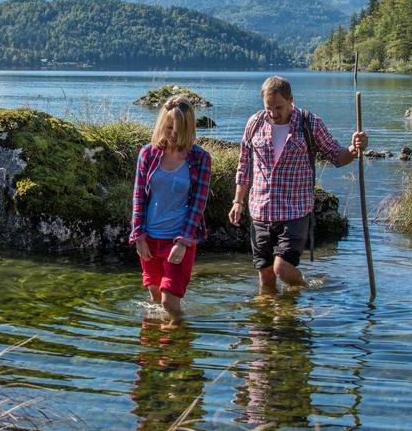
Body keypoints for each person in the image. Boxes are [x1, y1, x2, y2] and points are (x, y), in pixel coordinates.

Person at [229, 76, 367, 293]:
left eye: (279, 107)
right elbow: (244, 165)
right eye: (269, 108)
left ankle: (305, 288)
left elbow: (335, 156)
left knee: (281, 269)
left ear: (291, 100)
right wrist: (237, 201)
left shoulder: (309, 123)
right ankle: (272, 319)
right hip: (260, 209)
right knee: (265, 275)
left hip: (296, 210)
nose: (274, 113)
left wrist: (353, 149)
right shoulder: (254, 123)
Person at [130, 95, 212, 313]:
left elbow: (198, 204)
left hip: (179, 239)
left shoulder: (200, 158)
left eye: (178, 129)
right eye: (168, 128)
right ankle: (155, 345)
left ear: (189, 128)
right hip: (150, 238)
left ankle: (177, 344)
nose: (173, 134)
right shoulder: (148, 154)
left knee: (169, 302)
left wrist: (183, 242)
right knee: (155, 298)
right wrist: (138, 237)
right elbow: (138, 197)